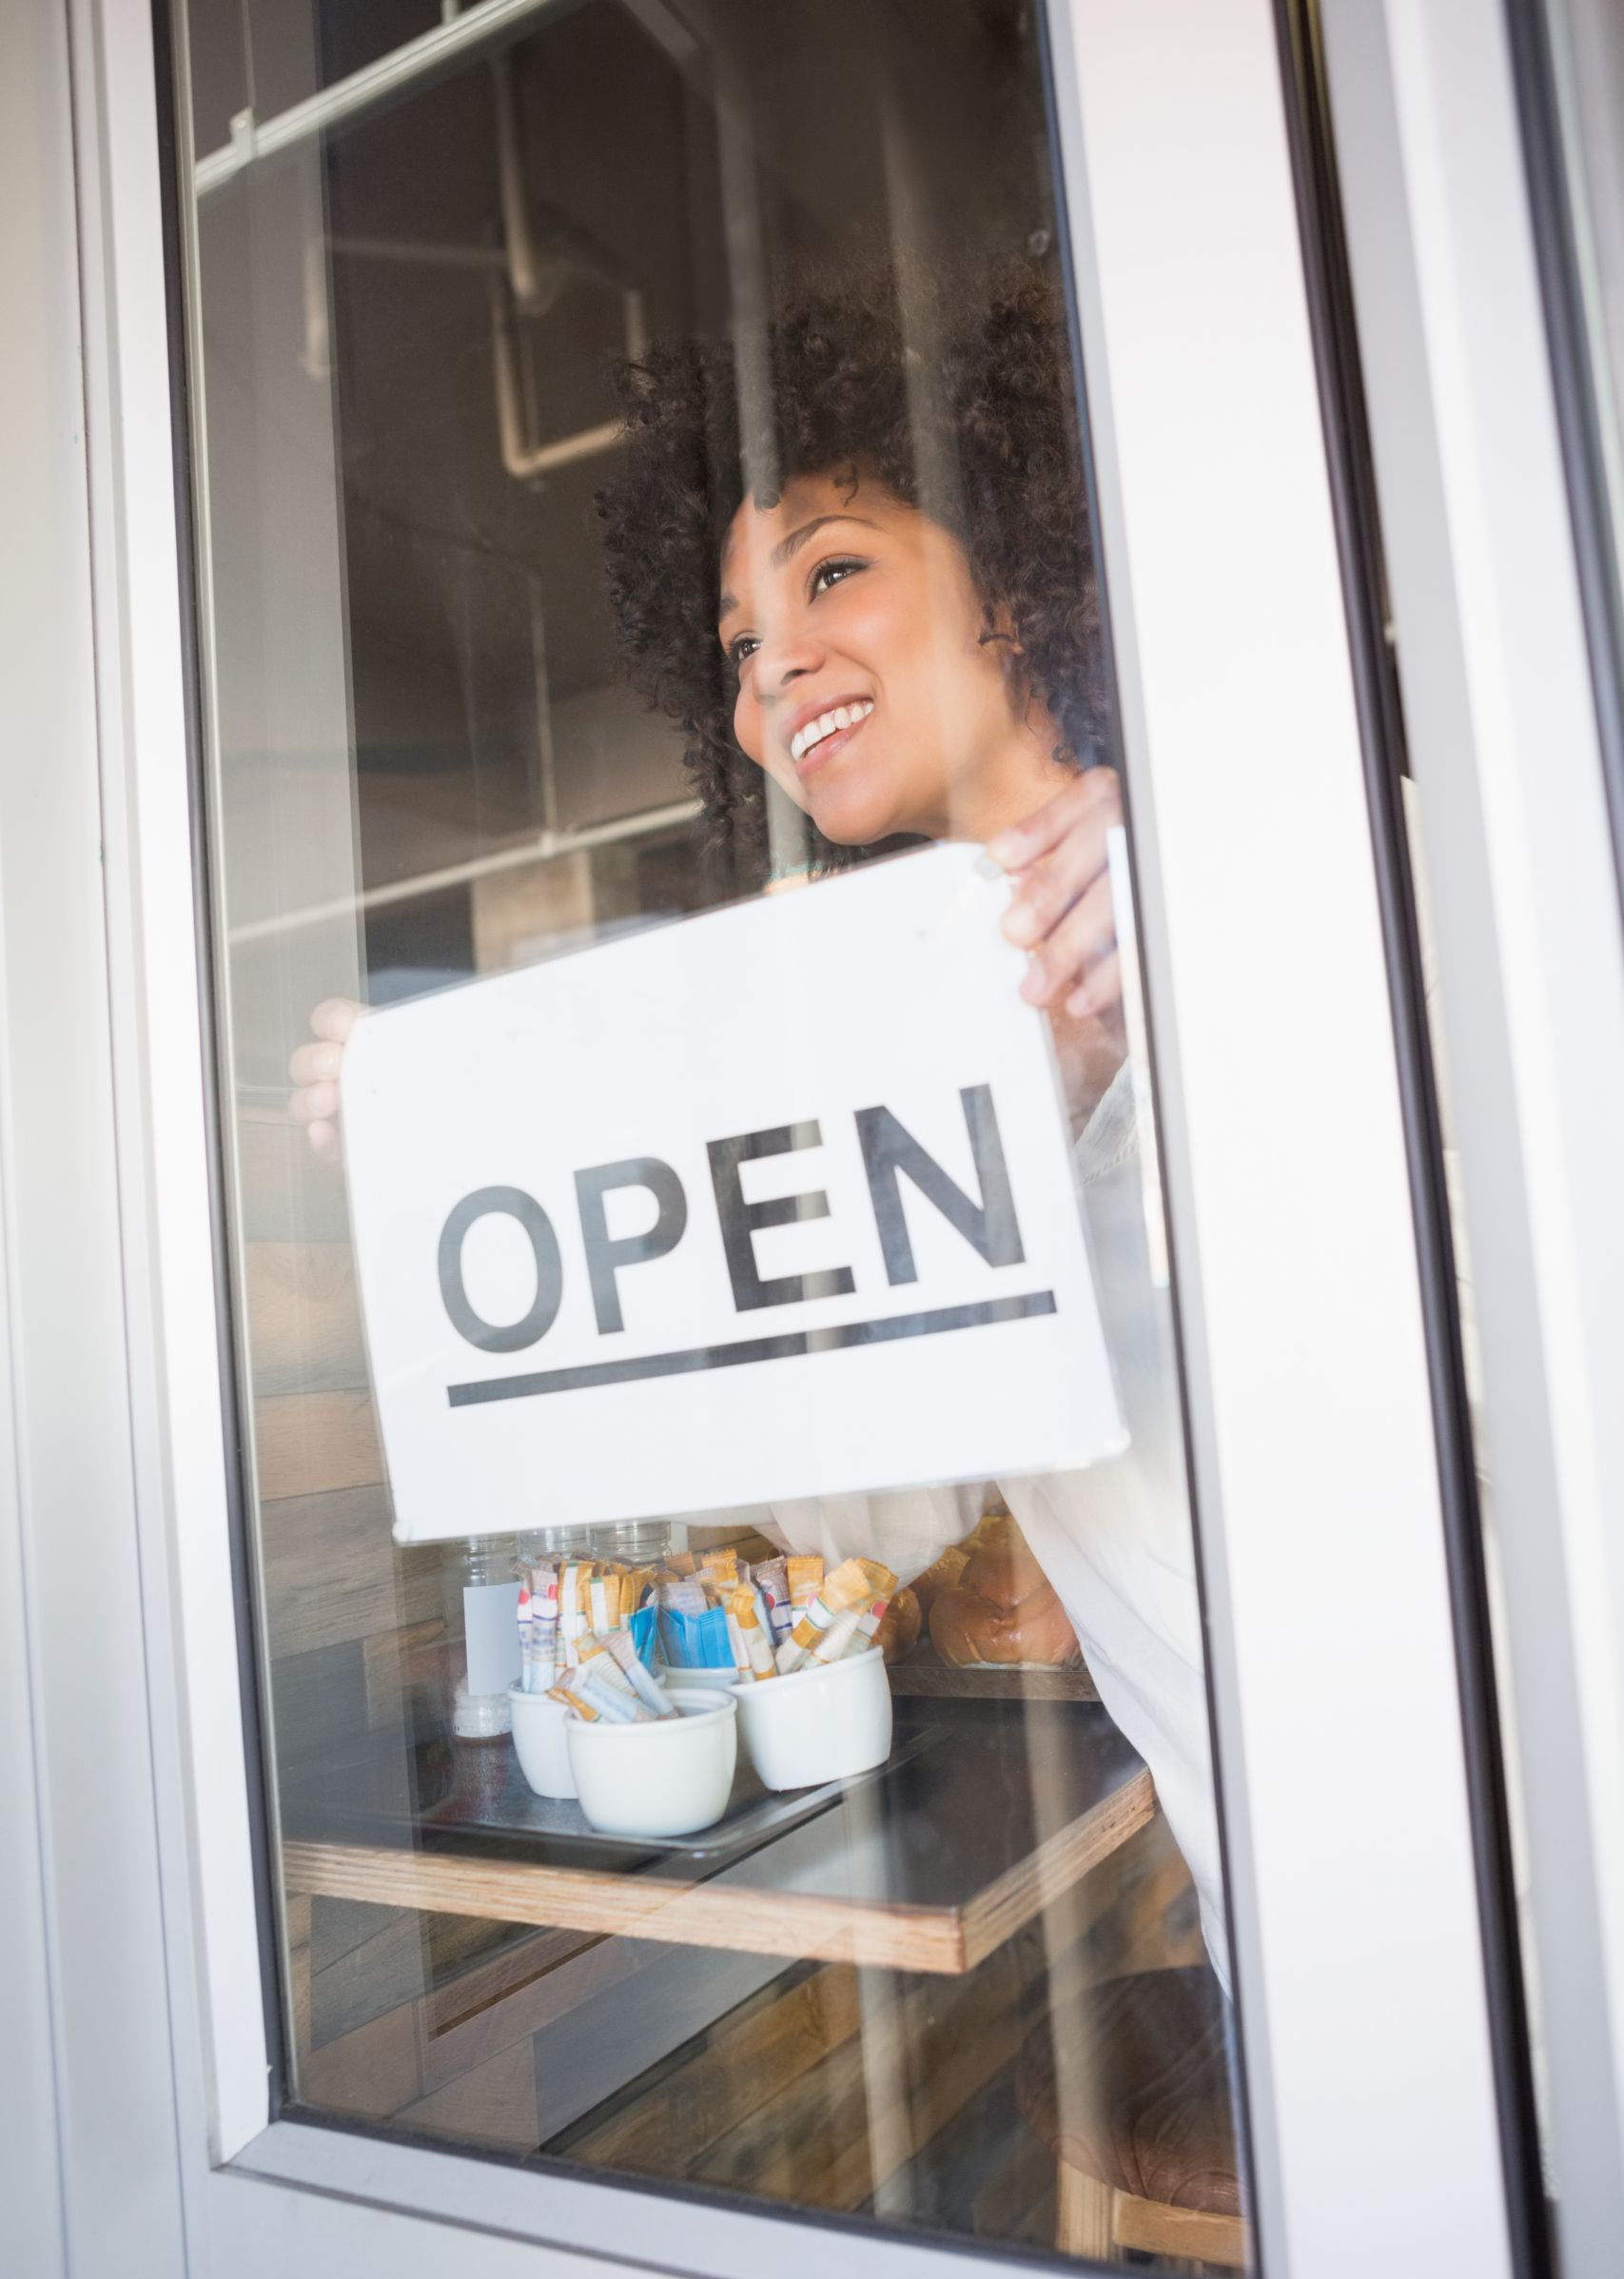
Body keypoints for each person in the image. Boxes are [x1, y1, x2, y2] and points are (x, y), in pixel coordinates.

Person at [289, 262, 1228, 1985]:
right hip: (1297, 1923)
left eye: (836, 571)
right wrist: (449, 1155)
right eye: (734, 644)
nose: (775, 664)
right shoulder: (908, 1068)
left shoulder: (1273, 843)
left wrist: (1210, 868)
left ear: (1013, 580)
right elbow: (864, 1520)